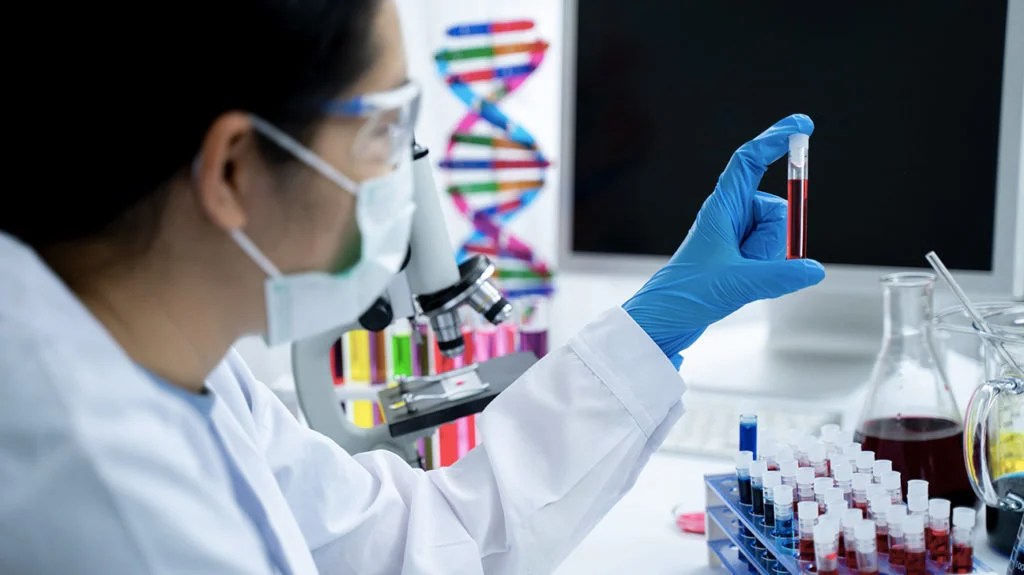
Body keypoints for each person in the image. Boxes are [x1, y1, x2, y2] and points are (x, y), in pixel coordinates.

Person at [0, 1, 825, 573]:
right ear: (233, 169)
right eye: (385, 128)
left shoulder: (184, 366)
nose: (404, 170)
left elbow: (412, 545)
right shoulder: (108, 507)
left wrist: (653, 326)